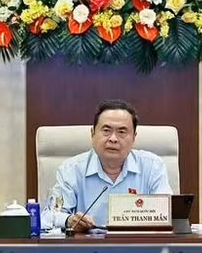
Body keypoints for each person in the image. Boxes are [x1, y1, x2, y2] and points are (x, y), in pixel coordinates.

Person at [51, 99, 173, 232]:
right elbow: (50, 216)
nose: (113, 139)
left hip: (138, 247)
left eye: (121, 132)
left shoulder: (153, 167)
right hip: (87, 248)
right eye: (106, 130)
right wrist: (69, 220)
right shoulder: (71, 170)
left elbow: (168, 213)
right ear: (92, 134)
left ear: (133, 138)